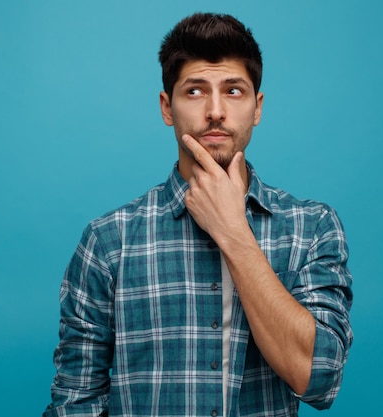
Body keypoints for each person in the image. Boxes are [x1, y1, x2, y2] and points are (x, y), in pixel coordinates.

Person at [43, 12, 353, 417]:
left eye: (234, 91)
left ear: (257, 108)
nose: (215, 111)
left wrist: (233, 231)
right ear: (166, 107)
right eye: (194, 91)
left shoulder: (312, 228)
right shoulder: (108, 241)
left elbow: (319, 379)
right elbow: (75, 404)